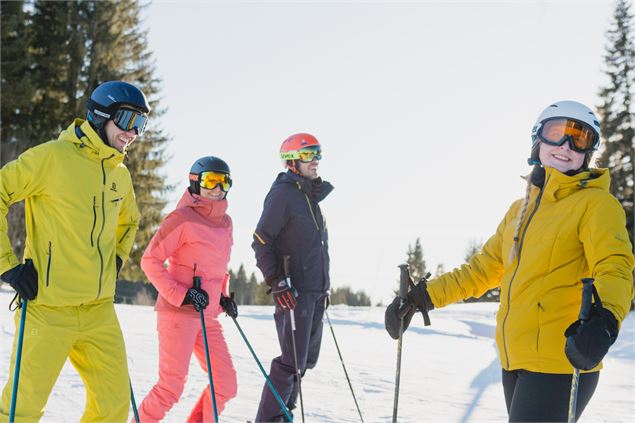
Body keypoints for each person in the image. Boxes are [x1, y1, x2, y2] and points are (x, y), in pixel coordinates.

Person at [385, 100, 634, 422]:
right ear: (538, 140)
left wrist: (605, 319)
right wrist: (424, 297)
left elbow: (614, 265)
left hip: (560, 361)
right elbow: (484, 268)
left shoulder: (596, 204)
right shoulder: (521, 208)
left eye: (580, 138)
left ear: (590, 151)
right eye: (556, 133)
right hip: (515, 359)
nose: (566, 145)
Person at [0, 80, 149, 421]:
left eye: (140, 125)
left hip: (98, 312)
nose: (133, 133)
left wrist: (114, 262)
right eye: (127, 120)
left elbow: (130, 222)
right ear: (101, 115)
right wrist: (8, 265)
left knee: (112, 409)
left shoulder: (120, 175)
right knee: (20, 411)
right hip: (47, 307)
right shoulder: (51, 157)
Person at [136, 156, 238, 423]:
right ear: (195, 183)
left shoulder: (226, 223)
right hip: (178, 314)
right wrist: (182, 295)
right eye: (210, 181)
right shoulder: (181, 219)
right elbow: (150, 260)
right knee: (170, 388)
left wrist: (224, 297)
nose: (218, 187)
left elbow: (217, 268)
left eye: (223, 181)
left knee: (225, 385)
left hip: (208, 314)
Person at [252, 133, 333, 422]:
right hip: (293, 294)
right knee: (290, 362)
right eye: (310, 155)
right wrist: (277, 281)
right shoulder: (284, 194)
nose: (316, 161)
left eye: (318, 154)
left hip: (314, 293)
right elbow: (261, 240)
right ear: (292, 160)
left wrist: (324, 287)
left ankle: (285, 415)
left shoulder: (309, 199)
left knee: (303, 363)